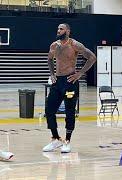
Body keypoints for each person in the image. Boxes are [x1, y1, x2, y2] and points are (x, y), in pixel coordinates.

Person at [42, 23, 96, 153]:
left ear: (68, 31)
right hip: (57, 82)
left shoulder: (75, 45)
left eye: (61, 29)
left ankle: (67, 141)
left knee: (70, 112)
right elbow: (49, 59)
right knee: (49, 109)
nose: (58, 30)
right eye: (58, 28)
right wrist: (52, 74)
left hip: (70, 81)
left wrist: (79, 74)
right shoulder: (54, 45)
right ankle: (55, 139)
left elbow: (92, 58)